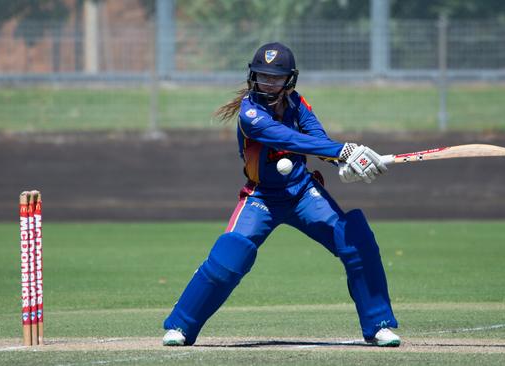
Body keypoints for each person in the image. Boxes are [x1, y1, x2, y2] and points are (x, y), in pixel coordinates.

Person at [162, 42, 400, 347]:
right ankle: (181, 326)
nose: (267, 82)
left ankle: (378, 325)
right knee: (230, 254)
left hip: (303, 193)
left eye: (275, 77)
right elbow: (288, 138)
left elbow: (317, 140)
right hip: (261, 198)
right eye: (262, 75)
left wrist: (347, 161)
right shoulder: (250, 113)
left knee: (355, 239)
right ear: (252, 76)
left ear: (289, 80)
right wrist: (344, 149)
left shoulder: (298, 104)